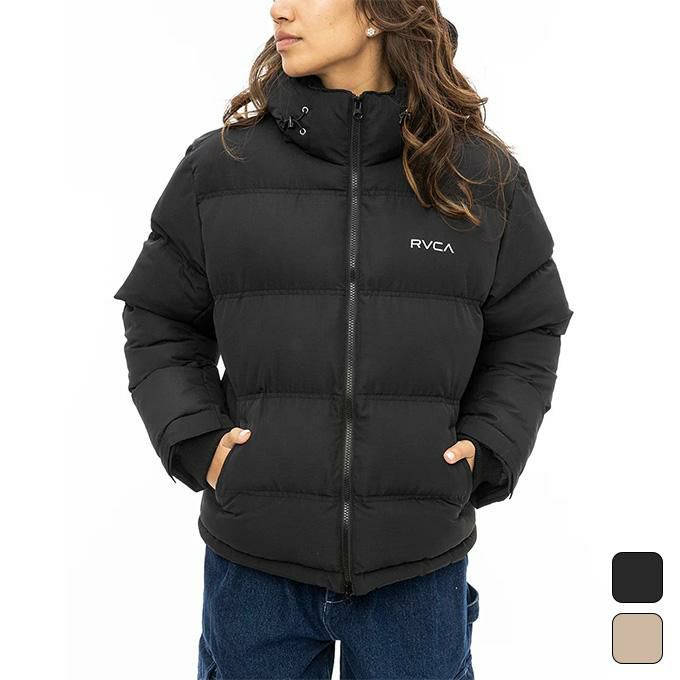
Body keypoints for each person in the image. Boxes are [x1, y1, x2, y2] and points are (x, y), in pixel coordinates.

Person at [113, 1, 573, 678]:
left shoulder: (478, 177)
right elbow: (158, 316)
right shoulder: (221, 168)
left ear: (379, 13)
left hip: (415, 568)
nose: (279, 8)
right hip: (256, 565)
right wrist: (198, 442)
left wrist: (490, 446)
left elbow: (529, 326)